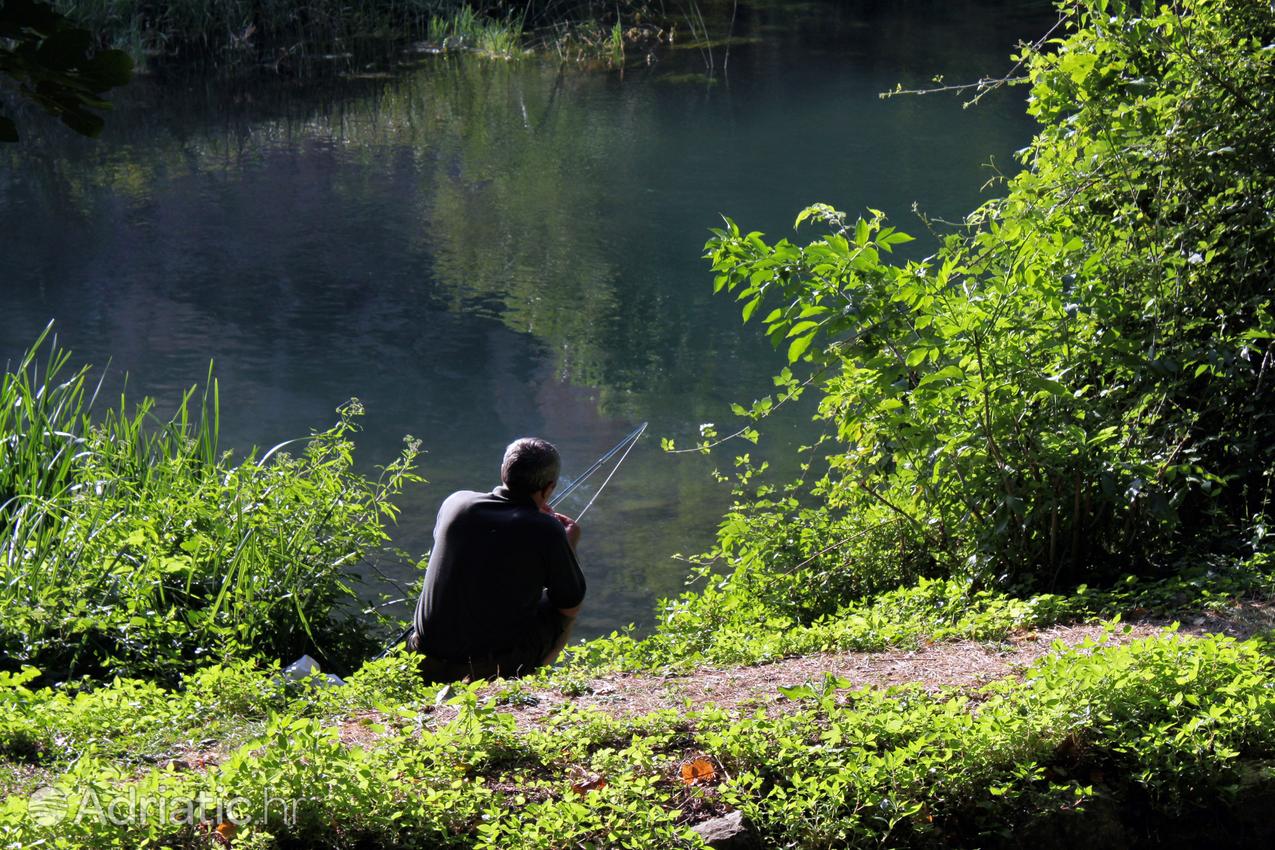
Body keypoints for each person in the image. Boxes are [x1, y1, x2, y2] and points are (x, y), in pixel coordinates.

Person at [407, 437, 585, 683]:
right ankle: (523, 680)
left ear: (504, 472)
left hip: (422, 657)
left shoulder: (456, 503)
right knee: (561, 608)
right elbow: (570, 601)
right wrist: (568, 545)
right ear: (548, 488)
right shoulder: (546, 530)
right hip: (484, 669)